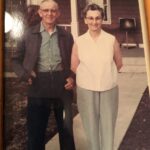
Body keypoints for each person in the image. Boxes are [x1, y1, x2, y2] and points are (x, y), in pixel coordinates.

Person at [12, 0, 76, 150]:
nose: (49, 13)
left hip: (62, 86)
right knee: (36, 132)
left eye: (53, 10)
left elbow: (75, 61)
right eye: (46, 10)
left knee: (67, 131)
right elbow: (15, 60)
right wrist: (24, 74)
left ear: (58, 13)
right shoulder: (28, 34)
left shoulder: (66, 36)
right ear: (40, 13)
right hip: (37, 85)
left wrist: (72, 77)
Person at [71, 3, 123, 150]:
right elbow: (74, 66)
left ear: (102, 19)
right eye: (91, 18)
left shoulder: (111, 40)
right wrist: (89, 78)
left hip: (108, 89)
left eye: (98, 18)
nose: (94, 22)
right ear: (85, 20)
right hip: (86, 90)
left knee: (108, 125)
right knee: (90, 126)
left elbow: (118, 63)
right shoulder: (79, 41)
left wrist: (105, 76)